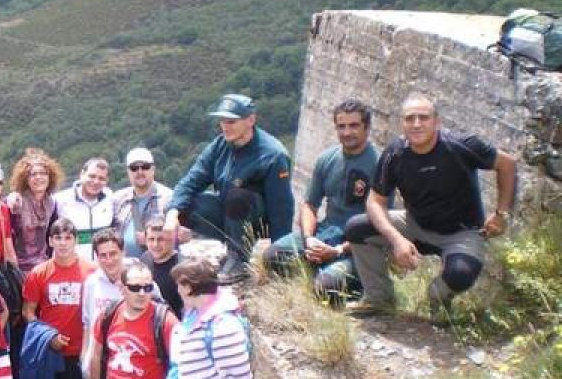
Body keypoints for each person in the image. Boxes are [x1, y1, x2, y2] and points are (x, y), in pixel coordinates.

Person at [343, 94, 517, 317]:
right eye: (409, 118)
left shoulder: (461, 146)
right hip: (415, 224)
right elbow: (375, 202)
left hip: (461, 233)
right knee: (357, 228)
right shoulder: (395, 153)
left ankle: (437, 297)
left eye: (423, 118)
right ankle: (378, 299)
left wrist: (501, 214)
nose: (416, 124)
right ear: (402, 124)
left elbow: (507, 164)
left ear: (437, 121)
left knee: (460, 274)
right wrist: (397, 240)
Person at [161, 94, 296, 284]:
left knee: (238, 197)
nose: (225, 126)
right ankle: (226, 247)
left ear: (250, 120)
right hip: (228, 213)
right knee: (180, 204)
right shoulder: (221, 144)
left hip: (256, 222)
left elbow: (282, 208)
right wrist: (173, 213)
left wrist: (280, 253)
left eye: (231, 121)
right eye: (222, 120)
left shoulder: (273, 155)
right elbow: (192, 179)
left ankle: (239, 259)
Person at [264, 99, 381, 304]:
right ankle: (317, 262)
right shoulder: (327, 159)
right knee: (271, 256)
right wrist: (309, 239)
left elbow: (379, 225)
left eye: (354, 125)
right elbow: (310, 204)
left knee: (326, 288)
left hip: (358, 246)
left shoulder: (379, 165)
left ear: (367, 127)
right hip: (326, 232)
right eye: (341, 126)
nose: (346, 132)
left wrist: (337, 251)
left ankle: (340, 276)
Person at [88, 259, 178, 379]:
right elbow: (96, 355)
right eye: (135, 288)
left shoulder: (165, 320)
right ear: (123, 288)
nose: (142, 293)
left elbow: (183, 365)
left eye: (148, 287)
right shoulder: (109, 315)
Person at [22, 218, 96, 379]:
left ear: (75, 241)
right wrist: (46, 337)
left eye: (68, 238)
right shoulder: (38, 273)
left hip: (80, 353)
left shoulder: (91, 271)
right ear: (50, 241)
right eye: (58, 238)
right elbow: (28, 312)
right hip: (49, 353)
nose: (63, 243)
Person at [80, 229, 127, 379]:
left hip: (126, 363)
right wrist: (84, 357)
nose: (109, 260)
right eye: (103, 255)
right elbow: (87, 323)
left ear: (123, 252)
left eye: (113, 254)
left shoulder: (139, 282)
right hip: (96, 363)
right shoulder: (91, 283)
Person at [5, 147, 64, 272]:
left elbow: (51, 235)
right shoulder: (16, 202)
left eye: (43, 173)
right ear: (25, 179)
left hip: (44, 265)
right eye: (33, 174)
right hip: (18, 267)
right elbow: (6, 236)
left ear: (50, 177)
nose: (38, 177)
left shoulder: (51, 203)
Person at [111, 147, 175, 259]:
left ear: (153, 169)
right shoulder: (117, 199)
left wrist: (149, 241)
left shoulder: (170, 198)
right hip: (125, 269)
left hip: (158, 268)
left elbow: (179, 237)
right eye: (134, 168)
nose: (140, 172)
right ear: (128, 172)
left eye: (145, 167)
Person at [52, 157, 114, 261]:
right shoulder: (60, 200)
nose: (96, 182)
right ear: (82, 174)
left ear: (106, 181)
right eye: (92, 176)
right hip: (70, 267)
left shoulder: (111, 198)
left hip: (102, 268)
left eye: (101, 178)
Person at [144, 217, 185, 315]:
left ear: (171, 240)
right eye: (151, 239)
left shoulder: (182, 267)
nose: (155, 244)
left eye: (161, 239)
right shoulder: (145, 258)